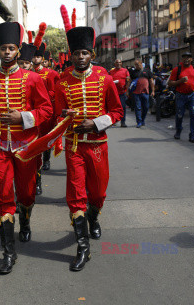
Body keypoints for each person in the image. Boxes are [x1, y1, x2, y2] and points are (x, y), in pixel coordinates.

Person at [0, 0, 52, 274]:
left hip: (26, 147)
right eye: (2, 48)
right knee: (3, 196)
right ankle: (9, 253)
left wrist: (24, 116)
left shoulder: (32, 79)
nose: (6, 53)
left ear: (18, 51)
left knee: (27, 193)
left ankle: (27, 218)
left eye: (11, 48)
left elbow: (46, 110)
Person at [55, 25, 123, 272]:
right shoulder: (62, 82)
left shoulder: (104, 79)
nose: (80, 57)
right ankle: (83, 248)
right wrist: (63, 115)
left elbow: (117, 111)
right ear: (71, 56)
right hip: (73, 147)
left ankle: (93, 216)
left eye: (84, 53)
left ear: (91, 55)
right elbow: (56, 114)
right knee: (75, 196)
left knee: (98, 194)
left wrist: (95, 123)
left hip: (97, 147)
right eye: (76, 54)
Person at [32, 24, 60, 190]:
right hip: (31, 114)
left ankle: (47, 158)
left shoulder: (51, 74)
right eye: (33, 57)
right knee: (34, 149)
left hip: (46, 113)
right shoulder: (27, 73)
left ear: (42, 59)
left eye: (38, 57)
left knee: (45, 141)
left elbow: (55, 94)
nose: (35, 59)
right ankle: (37, 181)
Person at [168, 51, 194, 143]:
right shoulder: (177, 69)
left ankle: (192, 135)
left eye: (188, 57)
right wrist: (180, 81)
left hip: (193, 94)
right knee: (180, 115)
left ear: (191, 59)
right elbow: (170, 83)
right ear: (182, 59)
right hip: (180, 95)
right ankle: (178, 130)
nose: (186, 59)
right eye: (184, 57)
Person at [130, 59, 154, 128]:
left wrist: (153, 91)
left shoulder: (147, 71)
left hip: (145, 93)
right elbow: (130, 81)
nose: (136, 66)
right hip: (136, 93)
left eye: (137, 64)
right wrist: (128, 91)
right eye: (135, 64)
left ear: (141, 63)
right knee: (138, 108)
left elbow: (151, 81)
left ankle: (143, 119)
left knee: (146, 107)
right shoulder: (133, 72)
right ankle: (139, 122)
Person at [109, 59, 130, 127]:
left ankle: (123, 122)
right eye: (117, 63)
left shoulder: (125, 71)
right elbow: (107, 80)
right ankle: (114, 121)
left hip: (122, 92)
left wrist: (127, 90)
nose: (118, 64)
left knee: (123, 107)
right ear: (114, 64)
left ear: (121, 63)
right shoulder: (111, 71)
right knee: (113, 108)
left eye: (119, 62)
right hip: (113, 93)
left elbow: (128, 80)